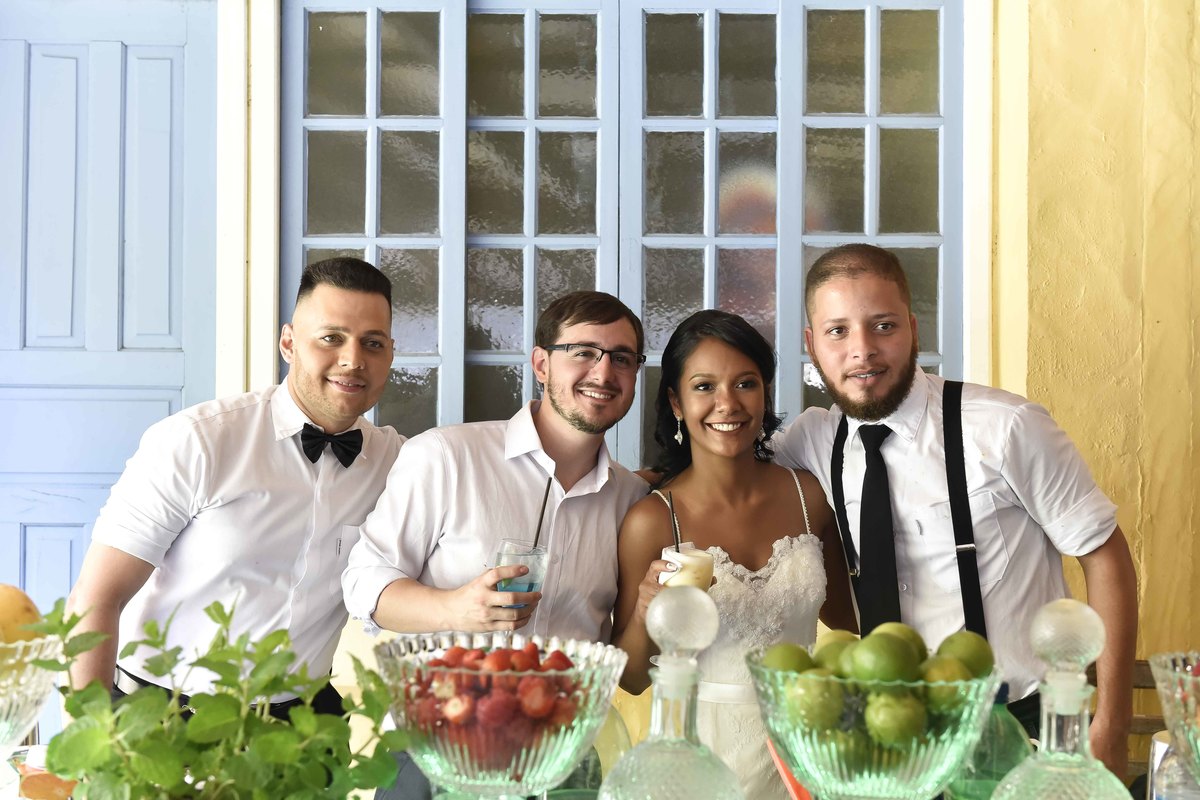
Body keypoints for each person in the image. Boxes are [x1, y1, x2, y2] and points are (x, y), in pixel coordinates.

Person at [774, 243, 1137, 778]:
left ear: (913, 330)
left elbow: (1105, 556)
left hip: (1021, 728)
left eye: (883, 326)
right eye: (837, 331)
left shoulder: (1005, 427)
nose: (862, 351)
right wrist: (649, 486)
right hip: (889, 735)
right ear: (812, 345)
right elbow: (725, 472)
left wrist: (1111, 726)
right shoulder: (812, 440)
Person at [343, 290, 651, 799]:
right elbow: (364, 585)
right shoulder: (446, 456)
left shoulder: (632, 499)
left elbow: (626, 658)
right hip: (438, 751)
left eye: (622, 358)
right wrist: (456, 608)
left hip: (566, 763)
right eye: (583, 352)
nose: (603, 372)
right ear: (541, 364)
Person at [65, 257, 403, 718]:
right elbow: (96, 597)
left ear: (390, 355)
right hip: (165, 717)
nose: (353, 360)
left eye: (373, 343)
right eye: (331, 338)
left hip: (306, 722)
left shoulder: (397, 464)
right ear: (289, 343)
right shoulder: (198, 441)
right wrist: (90, 737)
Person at [611, 309, 857, 800]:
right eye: (704, 386)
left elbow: (847, 617)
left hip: (807, 754)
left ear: (765, 394)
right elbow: (633, 679)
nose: (727, 403)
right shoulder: (653, 520)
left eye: (746, 383)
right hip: (700, 763)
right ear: (676, 402)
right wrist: (644, 609)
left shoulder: (810, 496)